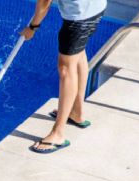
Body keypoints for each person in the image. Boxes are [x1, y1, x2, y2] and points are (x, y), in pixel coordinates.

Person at [20, 0, 107, 154]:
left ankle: (58, 134)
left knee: (66, 68)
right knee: (79, 55)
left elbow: (44, 3)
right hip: (95, 8)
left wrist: (33, 27)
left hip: (78, 19)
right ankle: (77, 112)